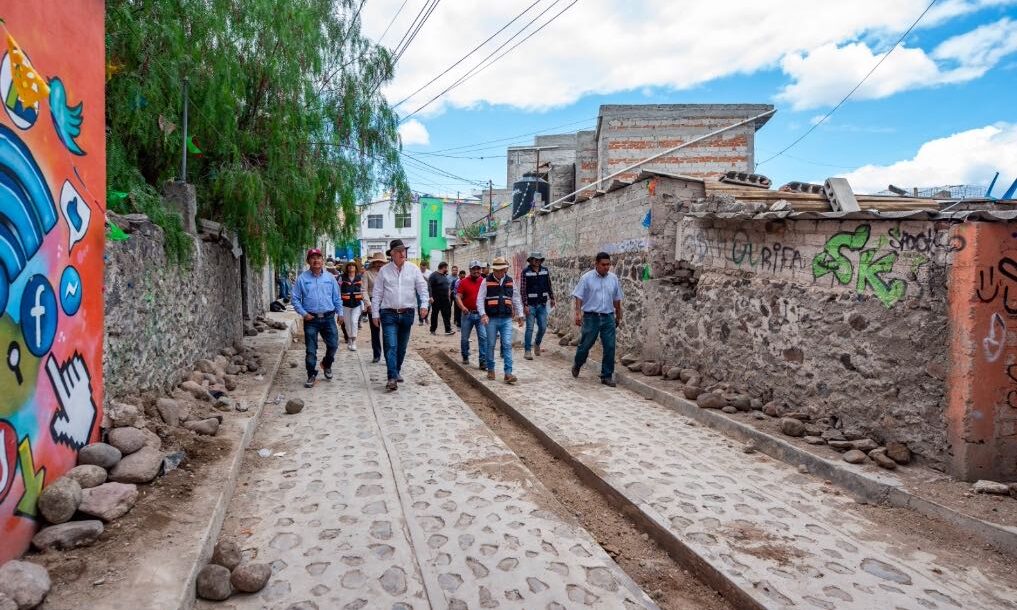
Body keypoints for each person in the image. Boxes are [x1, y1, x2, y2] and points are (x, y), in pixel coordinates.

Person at [371, 239, 429, 391]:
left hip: (407, 313)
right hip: (388, 313)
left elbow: (422, 288)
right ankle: (391, 377)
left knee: (401, 347)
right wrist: (375, 314)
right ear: (392, 254)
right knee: (391, 345)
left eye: (404, 250)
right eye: (399, 251)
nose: (402, 253)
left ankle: (396, 370)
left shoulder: (413, 269)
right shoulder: (384, 271)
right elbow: (377, 294)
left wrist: (424, 305)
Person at [291, 248, 344, 388]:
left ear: (322, 260)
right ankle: (311, 374)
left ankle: (327, 364)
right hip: (311, 319)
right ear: (308, 261)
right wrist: (303, 313)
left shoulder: (330, 278)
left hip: (328, 317)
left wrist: (341, 313)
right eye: (313, 258)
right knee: (310, 349)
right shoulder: (302, 279)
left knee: (333, 344)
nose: (316, 260)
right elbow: (295, 299)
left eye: (318, 258)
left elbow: (337, 298)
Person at [571, 252, 624, 387]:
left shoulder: (613, 279)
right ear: (596, 264)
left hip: (608, 317)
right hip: (591, 317)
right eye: (603, 265)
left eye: (608, 264)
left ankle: (606, 375)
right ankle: (578, 363)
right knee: (586, 345)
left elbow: (617, 298)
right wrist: (578, 313)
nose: (606, 267)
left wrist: (618, 314)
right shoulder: (586, 278)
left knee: (610, 347)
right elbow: (579, 296)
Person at [477, 257, 524, 384]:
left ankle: (508, 373)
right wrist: (483, 314)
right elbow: (480, 299)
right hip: (491, 318)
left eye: (502, 270)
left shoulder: (510, 281)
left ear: (505, 269)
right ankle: (491, 369)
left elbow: (516, 298)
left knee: (507, 344)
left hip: (506, 319)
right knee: (491, 344)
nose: (500, 272)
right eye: (498, 270)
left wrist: (520, 315)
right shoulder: (486, 281)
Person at [520, 251, 555, 360]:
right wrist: (525, 304)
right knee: (529, 328)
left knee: (543, 327)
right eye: (535, 259)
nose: (537, 261)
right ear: (531, 260)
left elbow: (549, 284)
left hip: (542, 304)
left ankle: (537, 343)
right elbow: (523, 289)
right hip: (530, 305)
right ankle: (527, 351)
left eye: (539, 259)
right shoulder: (525, 272)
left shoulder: (545, 271)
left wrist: (552, 297)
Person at [456, 261, 488, 370]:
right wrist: (462, 307)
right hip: (467, 314)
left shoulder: (484, 282)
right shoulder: (464, 282)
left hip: (480, 315)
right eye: (474, 269)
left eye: (478, 269)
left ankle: (482, 361)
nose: (476, 271)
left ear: (481, 270)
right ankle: (465, 355)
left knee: (483, 337)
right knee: (465, 338)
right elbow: (458, 297)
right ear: (470, 270)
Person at [361, 251, 386, 363]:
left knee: (388, 331)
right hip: (372, 302)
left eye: (381, 262)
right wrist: (368, 304)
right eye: (377, 262)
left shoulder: (388, 273)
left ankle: (388, 355)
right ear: (374, 262)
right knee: (375, 330)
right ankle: (376, 354)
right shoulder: (367, 273)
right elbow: (363, 290)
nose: (379, 264)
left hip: (386, 303)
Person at [339, 261, 364, 351]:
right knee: (347, 323)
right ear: (347, 268)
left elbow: (363, 290)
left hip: (356, 304)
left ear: (356, 268)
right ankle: (349, 338)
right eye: (349, 266)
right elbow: (338, 291)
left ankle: (354, 341)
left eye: (353, 266)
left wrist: (364, 304)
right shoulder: (341, 278)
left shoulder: (360, 278)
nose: (351, 267)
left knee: (354, 321)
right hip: (345, 304)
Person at [428, 262, 455, 335]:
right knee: (434, 314)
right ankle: (432, 330)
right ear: (443, 267)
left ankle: (448, 330)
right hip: (436, 298)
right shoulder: (433, 275)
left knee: (446, 314)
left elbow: (447, 286)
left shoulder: (444, 276)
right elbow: (429, 286)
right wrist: (430, 296)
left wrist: (448, 296)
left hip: (445, 299)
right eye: (446, 268)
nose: (447, 269)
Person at [418, 260, 432, 326]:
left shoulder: (429, 273)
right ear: (420, 266)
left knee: (428, 305)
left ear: (426, 267)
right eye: (421, 268)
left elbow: (431, 282)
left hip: (428, 291)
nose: (422, 269)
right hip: (418, 291)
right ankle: (421, 320)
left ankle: (426, 317)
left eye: (424, 268)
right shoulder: (417, 272)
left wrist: (424, 278)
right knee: (419, 305)